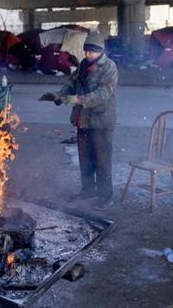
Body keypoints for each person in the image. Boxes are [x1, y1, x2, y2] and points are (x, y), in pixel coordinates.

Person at [39, 31, 118, 211]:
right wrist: (59, 95)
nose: (87, 54)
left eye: (92, 51)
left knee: (102, 161)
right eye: (86, 51)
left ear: (100, 51)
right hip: (83, 120)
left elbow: (104, 94)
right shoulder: (83, 65)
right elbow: (71, 83)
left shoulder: (110, 67)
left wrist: (78, 100)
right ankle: (88, 190)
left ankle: (105, 197)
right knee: (85, 159)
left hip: (101, 122)